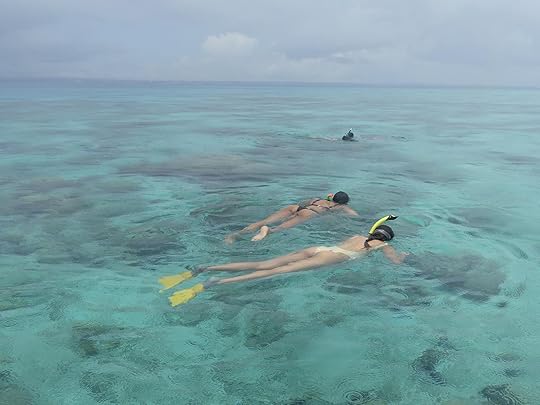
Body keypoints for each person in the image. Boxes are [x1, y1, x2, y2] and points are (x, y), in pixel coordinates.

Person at [160, 215, 407, 307]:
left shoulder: (357, 235)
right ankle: (216, 281)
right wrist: (402, 256)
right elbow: (395, 263)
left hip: (321, 248)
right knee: (273, 273)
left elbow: (359, 242)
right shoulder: (384, 245)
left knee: (264, 265)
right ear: (387, 238)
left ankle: (205, 267)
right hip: (333, 257)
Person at [224, 191, 359, 243]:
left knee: (262, 221)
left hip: (296, 207)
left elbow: (302, 204)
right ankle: (268, 231)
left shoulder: (316, 199)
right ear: (344, 202)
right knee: (279, 228)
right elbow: (355, 216)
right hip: (310, 214)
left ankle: (234, 235)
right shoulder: (341, 207)